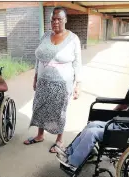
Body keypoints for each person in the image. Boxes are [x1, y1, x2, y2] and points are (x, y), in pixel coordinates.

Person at [55, 53, 129, 170]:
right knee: (92, 124)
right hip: (126, 124)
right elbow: (125, 103)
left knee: (93, 133)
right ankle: (69, 153)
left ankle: (73, 163)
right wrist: (112, 116)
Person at [23, 6, 82, 153]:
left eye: (59, 19)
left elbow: (77, 63)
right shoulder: (45, 36)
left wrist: (78, 84)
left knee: (59, 111)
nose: (55, 22)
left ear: (65, 20)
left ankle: (59, 140)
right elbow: (38, 58)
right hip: (43, 80)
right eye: (53, 19)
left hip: (62, 83)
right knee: (40, 107)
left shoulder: (73, 39)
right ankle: (40, 135)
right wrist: (36, 76)